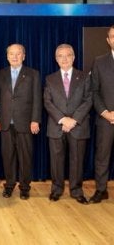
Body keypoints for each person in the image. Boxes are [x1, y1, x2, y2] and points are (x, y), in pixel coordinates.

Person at [44, 44, 92, 205]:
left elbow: (88, 100)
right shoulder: (50, 79)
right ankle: (56, 190)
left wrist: (73, 120)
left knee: (77, 160)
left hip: (78, 126)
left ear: (73, 57)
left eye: (68, 55)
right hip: (56, 126)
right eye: (60, 56)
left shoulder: (85, 77)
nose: (64, 59)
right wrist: (63, 119)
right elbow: (47, 102)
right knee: (56, 161)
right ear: (56, 59)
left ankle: (76, 190)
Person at [0, 43, 41, 200]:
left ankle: (25, 186)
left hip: (25, 123)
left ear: (24, 56)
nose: (14, 56)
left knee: (25, 156)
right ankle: (9, 185)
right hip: (6, 122)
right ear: (7, 56)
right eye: (11, 54)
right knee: (8, 156)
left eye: (18, 53)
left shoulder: (33, 74)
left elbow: (37, 99)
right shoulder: (0, 74)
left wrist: (35, 120)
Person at [90, 25, 114, 203]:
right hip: (105, 119)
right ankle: (101, 189)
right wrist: (105, 112)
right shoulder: (99, 61)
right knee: (102, 156)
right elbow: (94, 91)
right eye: (113, 37)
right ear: (108, 40)